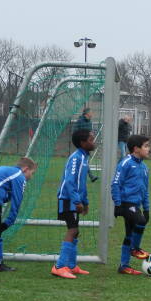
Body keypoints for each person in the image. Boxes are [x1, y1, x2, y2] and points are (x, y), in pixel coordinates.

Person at [52, 129, 96, 279]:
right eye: (91, 139)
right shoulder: (76, 158)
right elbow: (70, 181)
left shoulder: (84, 158)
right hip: (67, 199)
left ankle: (71, 266)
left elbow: (81, 184)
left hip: (74, 199)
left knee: (75, 231)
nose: (94, 142)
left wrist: (85, 202)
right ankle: (59, 266)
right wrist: (76, 201)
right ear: (83, 143)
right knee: (72, 230)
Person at [111, 134, 151, 275]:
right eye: (146, 146)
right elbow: (115, 184)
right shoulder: (125, 163)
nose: (148, 149)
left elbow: (145, 190)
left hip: (136, 205)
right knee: (140, 221)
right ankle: (135, 248)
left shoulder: (144, 167)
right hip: (126, 203)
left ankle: (124, 266)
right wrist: (117, 204)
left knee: (129, 234)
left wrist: (146, 209)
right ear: (136, 149)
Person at [74, 108, 98, 182]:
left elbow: (90, 132)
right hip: (81, 144)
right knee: (83, 160)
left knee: (84, 160)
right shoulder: (80, 121)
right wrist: (81, 139)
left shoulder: (89, 122)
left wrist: (91, 135)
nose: (92, 114)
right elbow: (75, 132)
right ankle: (90, 176)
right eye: (91, 112)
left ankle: (88, 175)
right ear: (87, 113)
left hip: (87, 144)